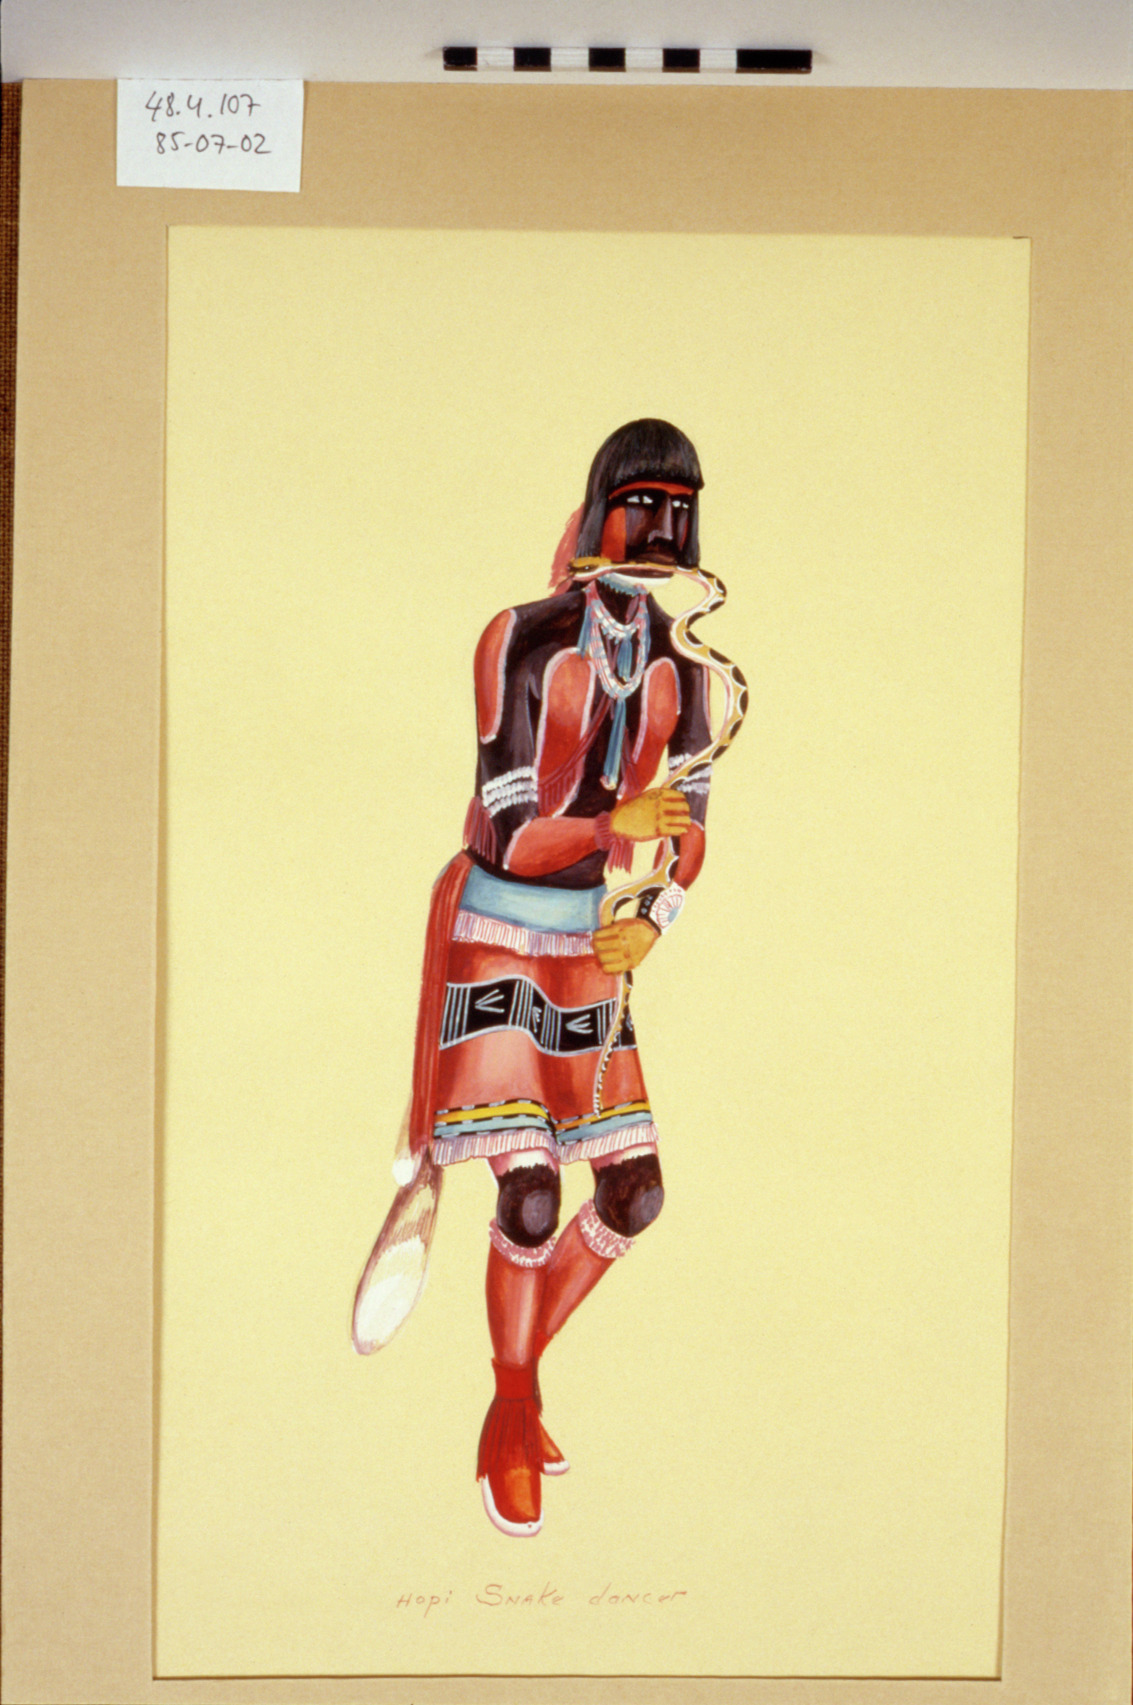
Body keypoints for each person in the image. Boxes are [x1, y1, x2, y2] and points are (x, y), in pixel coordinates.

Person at [408, 419, 716, 1536]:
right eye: (642, 506)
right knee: (530, 1192)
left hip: (589, 947)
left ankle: (516, 1381)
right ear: (599, 511)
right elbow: (505, 827)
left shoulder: (687, 667)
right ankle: (512, 1411)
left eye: (680, 511)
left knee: (633, 1192)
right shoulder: (523, 640)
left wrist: (656, 917)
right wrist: (607, 825)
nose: (662, 530)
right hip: (497, 930)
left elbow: (690, 826)